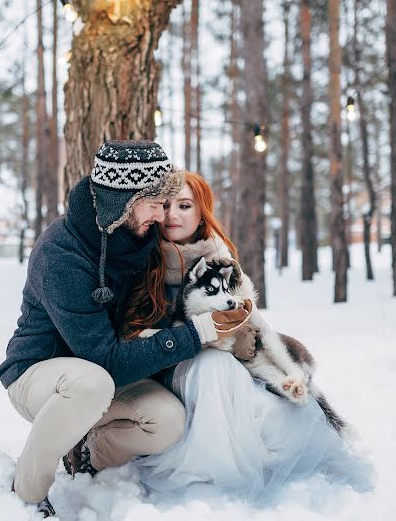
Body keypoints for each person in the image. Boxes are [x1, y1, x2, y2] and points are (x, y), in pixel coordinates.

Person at [0, 142, 251, 518]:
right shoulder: (61, 255)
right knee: (92, 382)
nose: (162, 214)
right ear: (125, 201)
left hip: (103, 377)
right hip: (41, 376)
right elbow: (103, 360)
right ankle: (27, 494)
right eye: (155, 203)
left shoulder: (138, 238)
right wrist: (196, 334)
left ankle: (88, 457)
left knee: (167, 421)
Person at [116, 171, 374, 505]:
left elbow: (251, 317)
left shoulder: (219, 259)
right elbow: (131, 329)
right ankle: (211, 468)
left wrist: (254, 342)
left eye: (184, 205)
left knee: (260, 401)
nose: (173, 215)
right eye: (165, 205)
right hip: (166, 366)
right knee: (213, 366)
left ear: (202, 211)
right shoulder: (143, 256)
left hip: (227, 364)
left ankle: (245, 459)